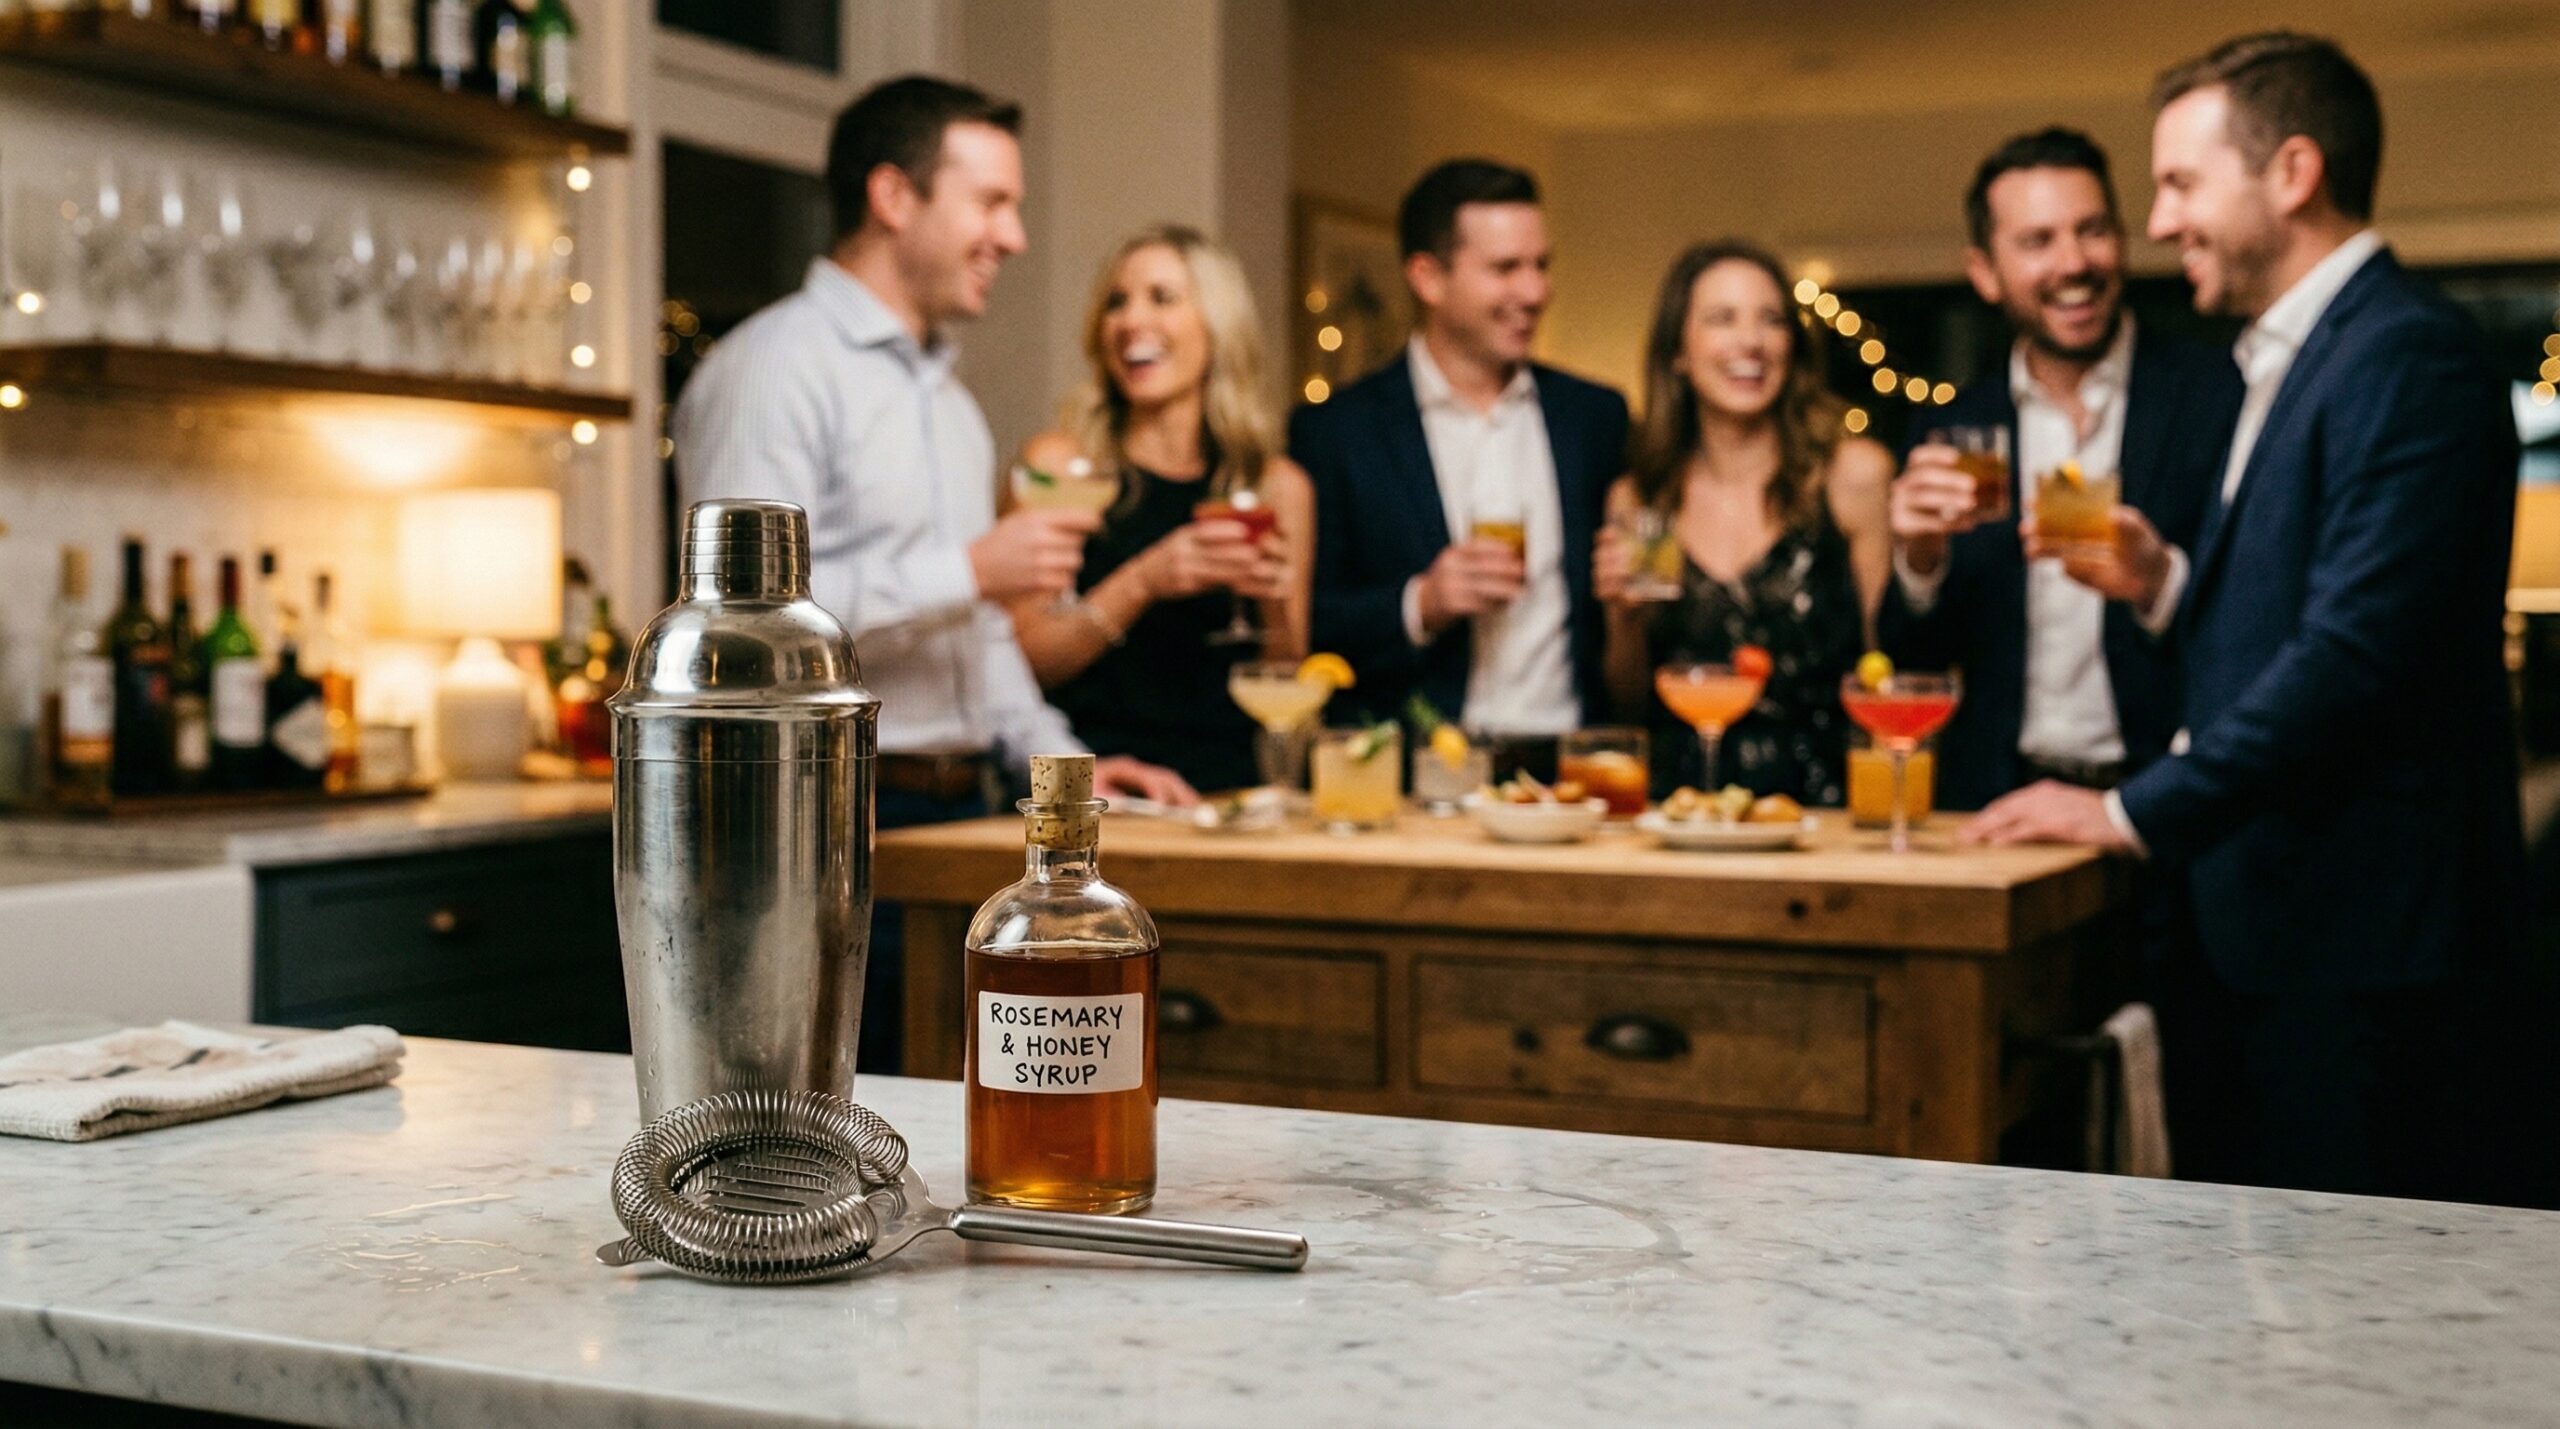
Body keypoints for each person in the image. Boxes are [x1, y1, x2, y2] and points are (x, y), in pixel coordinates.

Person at [1968, 34, 2538, 1203]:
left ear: (2289, 173)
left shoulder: (2403, 354)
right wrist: (2168, 588)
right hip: (2276, 934)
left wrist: (2124, 810)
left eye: (2181, 182)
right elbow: (2304, 616)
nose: (2161, 219)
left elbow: (2352, 659)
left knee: (2362, 1338)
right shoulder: (2293, 356)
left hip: (2364, 948)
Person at [671, 75, 1194, 1073]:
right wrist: (967, 568)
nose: (1016, 236)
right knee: (834, 1140)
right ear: (895, 197)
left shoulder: (949, 405)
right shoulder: (772, 369)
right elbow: (742, 640)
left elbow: (980, 636)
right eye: (991, 201)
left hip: (968, 821)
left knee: (954, 1135)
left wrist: (1067, 772)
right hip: (825, 828)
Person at [1881, 128, 2242, 811]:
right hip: (1997, 799)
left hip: (2170, 807)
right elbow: (1913, 661)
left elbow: (2265, 624)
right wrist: (1919, 560)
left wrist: (2158, 582)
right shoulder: (1952, 429)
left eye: (2093, 229)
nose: (2074, 262)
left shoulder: (2217, 396)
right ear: (1985, 272)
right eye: (2037, 241)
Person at [1291, 159, 1628, 741]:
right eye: (1505, 268)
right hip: (1415, 773)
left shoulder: (1594, 417)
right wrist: (1422, 603)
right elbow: (1304, 628)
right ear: (1428, 278)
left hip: (1571, 771)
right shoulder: (1336, 431)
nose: (1535, 291)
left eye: (1541, 266)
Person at [1009, 225, 1314, 793]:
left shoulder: (1275, 485)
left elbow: (1287, 679)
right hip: (1094, 791)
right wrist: (1147, 579)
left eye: (1163, 298)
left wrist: (1271, 600)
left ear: (1218, 326)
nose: (1131, 321)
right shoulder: (1060, 465)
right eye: (1116, 302)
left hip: (1226, 797)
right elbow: (1020, 663)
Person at [1594, 240, 1893, 804]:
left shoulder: (1853, 477)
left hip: (1825, 814)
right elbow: (1629, 708)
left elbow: (1887, 672)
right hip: (1683, 814)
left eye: (1771, 320)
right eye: (1722, 319)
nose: (1751, 342)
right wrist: (1624, 621)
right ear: (1678, 354)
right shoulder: (1640, 500)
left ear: (1793, 347)